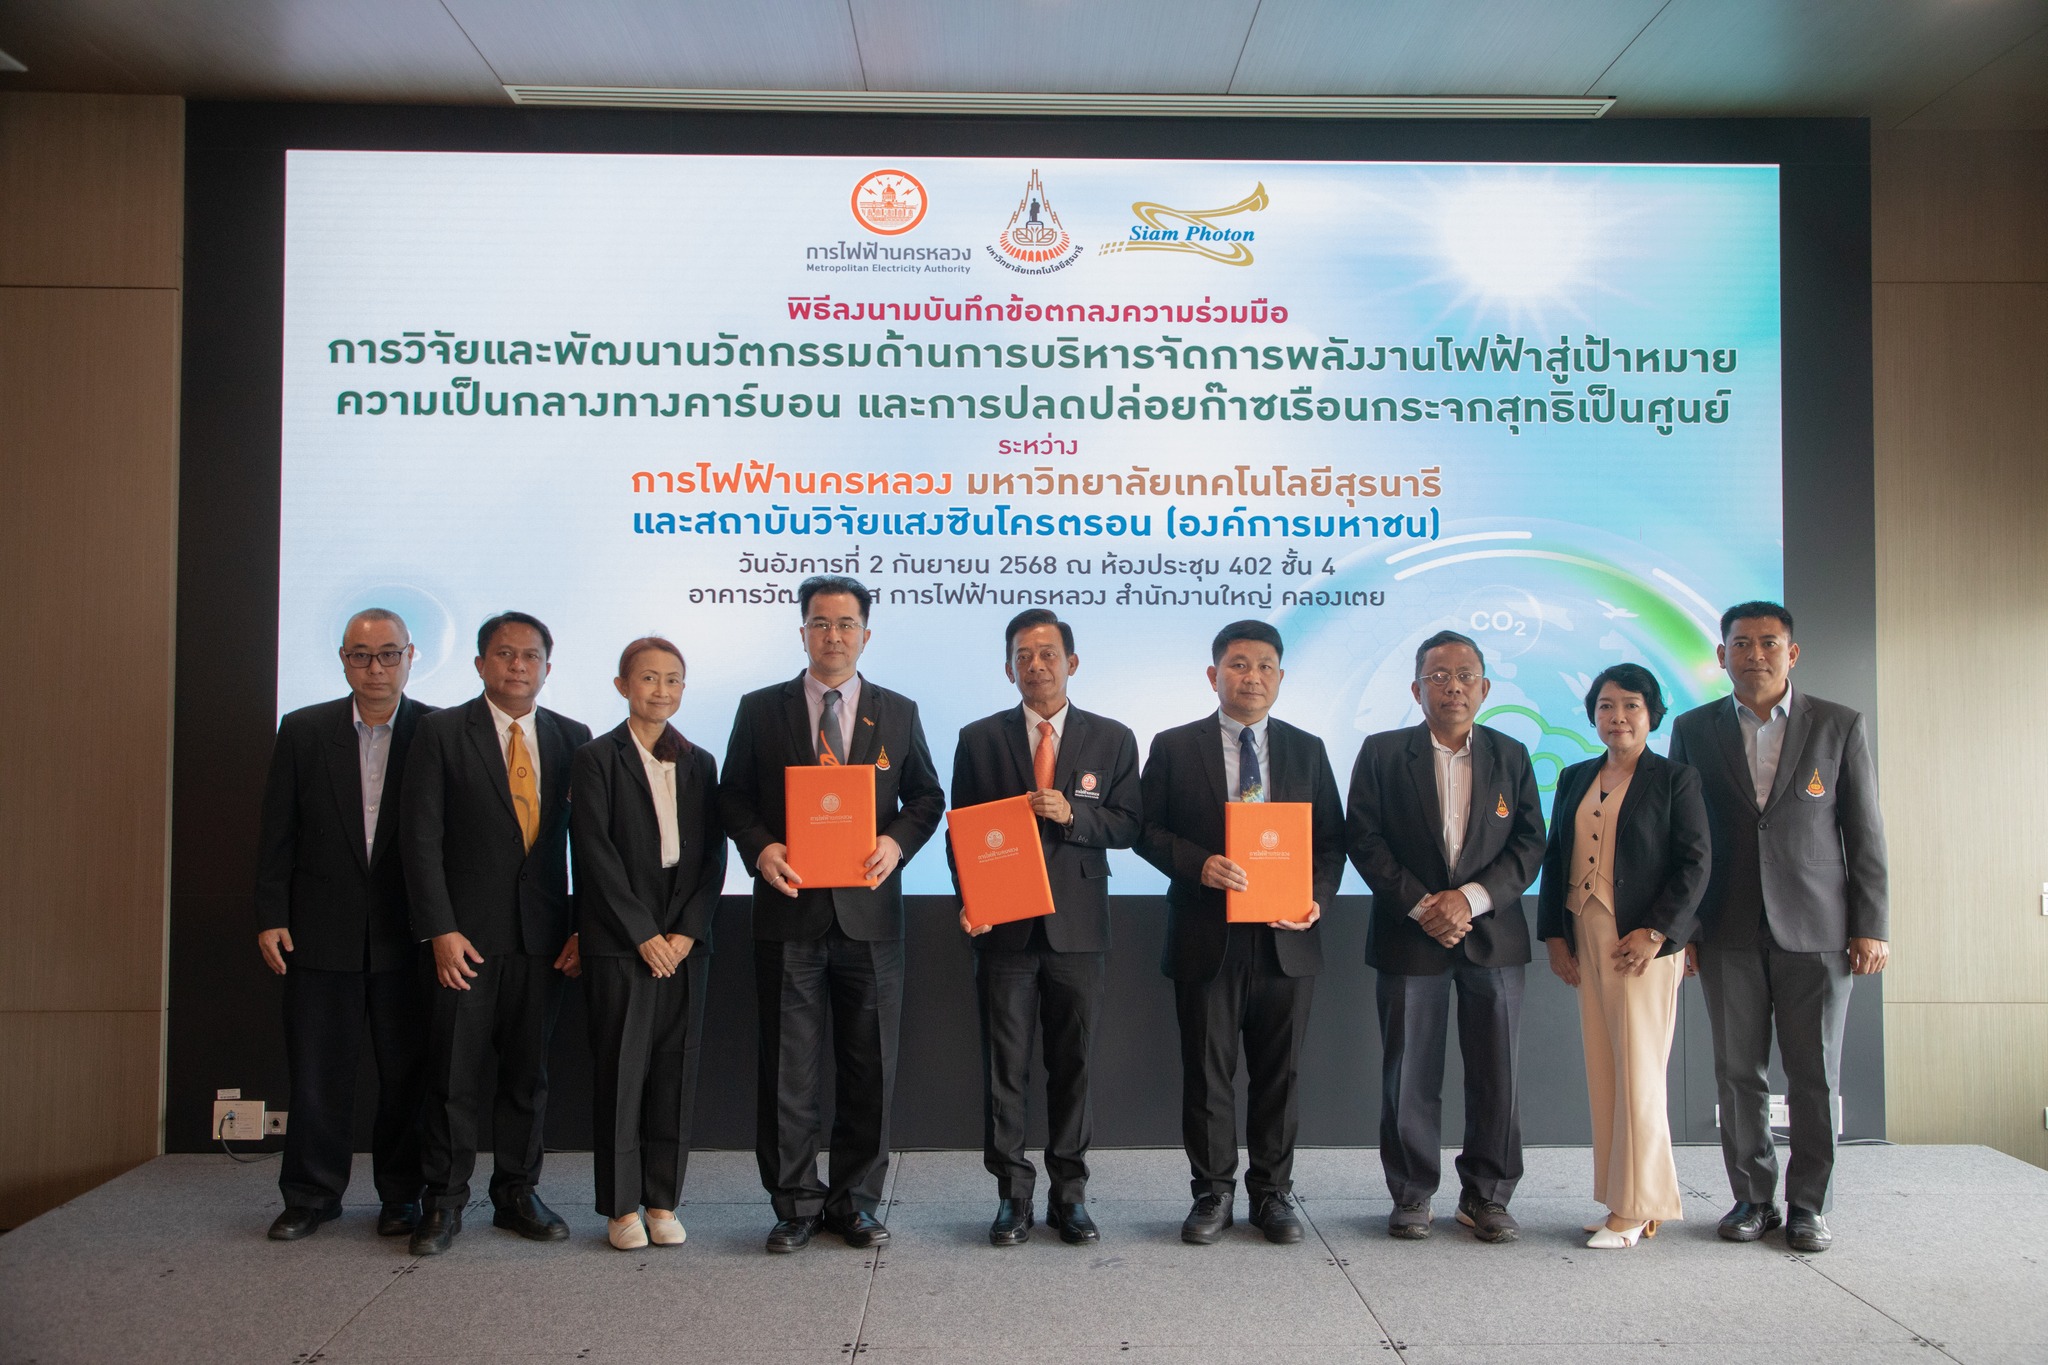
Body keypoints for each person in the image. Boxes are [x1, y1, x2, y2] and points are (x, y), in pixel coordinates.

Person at [719, 576, 945, 1253]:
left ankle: (856, 1203)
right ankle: (794, 1203)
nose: (833, 636)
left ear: (865, 635)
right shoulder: (760, 709)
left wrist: (895, 842)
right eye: (820, 623)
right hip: (788, 911)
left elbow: (926, 797)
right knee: (788, 1069)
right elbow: (732, 796)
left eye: (846, 624)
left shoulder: (897, 710)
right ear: (802, 632)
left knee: (870, 1067)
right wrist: (761, 848)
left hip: (869, 918)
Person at [1669, 602, 1889, 1253]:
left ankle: (1809, 1206)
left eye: (1769, 643)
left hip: (1819, 930)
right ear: (1721, 655)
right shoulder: (1693, 728)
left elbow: (1864, 831)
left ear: (1791, 653)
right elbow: (1684, 838)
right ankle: (1753, 1198)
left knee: (1814, 1075)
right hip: (1727, 926)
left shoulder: (1838, 724)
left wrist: (1871, 923)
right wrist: (1685, 930)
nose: (1755, 654)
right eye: (1742, 643)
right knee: (1738, 1073)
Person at [1136, 621, 1344, 1246]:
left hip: (1286, 937)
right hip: (1207, 934)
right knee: (1208, 1072)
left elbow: (1332, 841)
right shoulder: (1175, 746)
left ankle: (1273, 1194)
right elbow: (1144, 830)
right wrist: (1198, 864)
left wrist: (1315, 897)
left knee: (1281, 1074)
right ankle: (1212, 1193)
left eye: (1264, 666)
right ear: (1213, 675)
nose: (1252, 677)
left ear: (1280, 677)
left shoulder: (1308, 749)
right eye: (1238, 664)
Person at [949, 609, 1143, 1247]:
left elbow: (1129, 825)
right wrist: (970, 898)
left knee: (1074, 1065)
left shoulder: (1112, 738)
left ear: (1072, 663)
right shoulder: (979, 738)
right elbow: (961, 833)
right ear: (1009, 669)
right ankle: (1012, 1196)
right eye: (1023, 656)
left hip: (1078, 930)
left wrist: (1072, 817)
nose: (1036, 665)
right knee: (1004, 1068)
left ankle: (1070, 1196)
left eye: (1048, 654)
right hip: (1003, 926)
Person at [1346, 629, 1545, 1243]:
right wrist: (1424, 905)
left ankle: (1487, 1196)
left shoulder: (1511, 754)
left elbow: (1529, 843)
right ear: (1416, 689)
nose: (1452, 687)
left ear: (1484, 688)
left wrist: (1470, 900)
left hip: (1493, 937)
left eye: (1464, 676)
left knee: (1497, 1074)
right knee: (1409, 1073)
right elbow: (1364, 839)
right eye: (1438, 676)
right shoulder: (1382, 753)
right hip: (1410, 935)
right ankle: (1411, 1194)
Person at [401, 612, 591, 1256]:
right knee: (453, 1076)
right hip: (465, 941)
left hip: (544, 939)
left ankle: (516, 1193)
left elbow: (590, 844)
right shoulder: (440, 732)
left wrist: (583, 927)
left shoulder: (572, 737)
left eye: (530, 655)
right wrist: (439, 930)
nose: (517, 665)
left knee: (526, 1077)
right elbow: (419, 839)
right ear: (481, 664)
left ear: (547, 667)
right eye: (504, 654)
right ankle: (444, 1200)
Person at [254, 609, 434, 1241]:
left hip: (410, 934)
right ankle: (311, 1196)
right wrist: (271, 913)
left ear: (410, 656)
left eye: (388, 654)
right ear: (342, 659)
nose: (375, 668)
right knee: (317, 1072)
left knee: (408, 1075)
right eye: (361, 655)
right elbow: (278, 830)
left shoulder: (439, 731)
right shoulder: (304, 730)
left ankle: (403, 1197)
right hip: (319, 930)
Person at [1536, 664, 1709, 1249]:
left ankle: (1636, 1207)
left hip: (1641, 943)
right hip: (1584, 930)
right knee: (1605, 1069)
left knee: (1639, 1070)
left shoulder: (1676, 778)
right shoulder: (1575, 776)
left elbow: (1695, 863)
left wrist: (1656, 933)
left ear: (1652, 713)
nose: (1618, 717)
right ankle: (1624, 1198)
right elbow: (1556, 858)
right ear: (1593, 715)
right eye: (1606, 706)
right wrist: (1554, 937)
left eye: (1631, 705)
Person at [571, 637, 726, 1251]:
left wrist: (686, 931)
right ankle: (619, 1208)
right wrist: (642, 934)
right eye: (649, 678)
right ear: (622, 686)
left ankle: (663, 1200)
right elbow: (595, 853)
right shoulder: (595, 758)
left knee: (674, 1071)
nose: (661, 690)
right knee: (621, 1073)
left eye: (673, 679)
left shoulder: (700, 761)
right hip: (620, 939)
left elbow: (712, 855)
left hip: (684, 938)